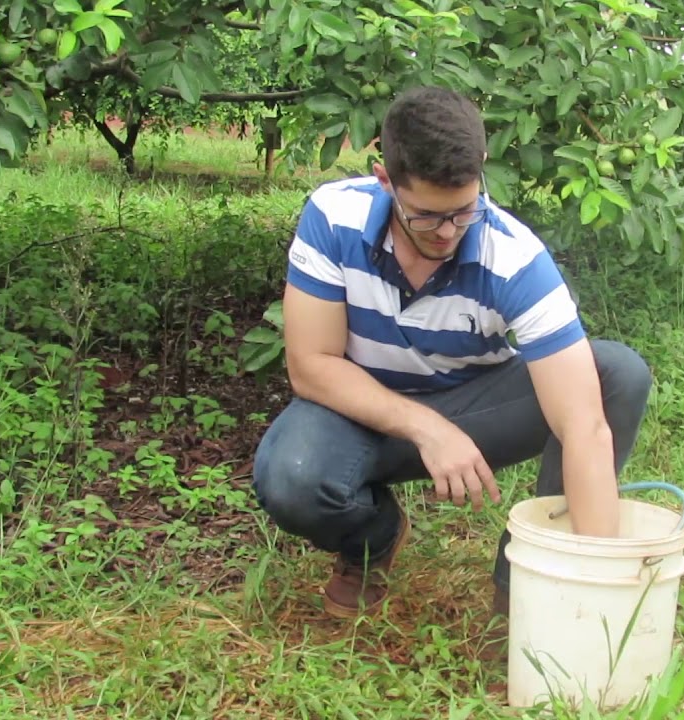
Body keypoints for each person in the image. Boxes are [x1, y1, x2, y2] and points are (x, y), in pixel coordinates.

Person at [251, 85, 652, 619]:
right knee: (290, 476)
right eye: (426, 216)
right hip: (359, 412)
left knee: (615, 375)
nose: (447, 232)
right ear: (385, 179)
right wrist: (428, 430)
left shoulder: (513, 256)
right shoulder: (333, 217)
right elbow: (311, 367)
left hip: (475, 412)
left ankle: (527, 586)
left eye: (463, 212)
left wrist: (599, 581)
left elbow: (584, 427)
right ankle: (372, 540)